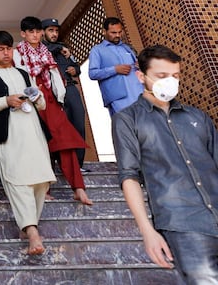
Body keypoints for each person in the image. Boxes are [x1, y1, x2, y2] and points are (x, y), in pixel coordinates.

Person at [113, 45, 218, 284]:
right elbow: (129, 177)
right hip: (182, 224)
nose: (170, 82)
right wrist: (146, 230)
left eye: (175, 76)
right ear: (142, 77)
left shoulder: (197, 117)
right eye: (162, 76)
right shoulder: (127, 120)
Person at [0, 30, 56, 255]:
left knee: (41, 181)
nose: (6, 53)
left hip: (33, 133)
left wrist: (37, 96)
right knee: (18, 181)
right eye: (0, 49)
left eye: (8, 48)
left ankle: (28, 225)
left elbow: (41, 105)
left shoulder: (23, 73)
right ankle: (32, 232)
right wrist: (5, 101)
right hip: (8, 136)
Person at [14, 16, 91, 205]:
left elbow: (55, 75)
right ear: (23, 34)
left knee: (65, 141)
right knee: (40, 145)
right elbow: (20, 76)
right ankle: (44, 189)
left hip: (52, 100)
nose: (35, 35)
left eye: (37, 31)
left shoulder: (46, 52)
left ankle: (78, 188)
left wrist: (60, 96)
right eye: (30, 32)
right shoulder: (18, 52)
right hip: (32, 100)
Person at [42, 18, 87, 169]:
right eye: (50, 30)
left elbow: (76, 66)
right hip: (54, 92)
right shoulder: (41, 48)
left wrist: (75, 69)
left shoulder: (64, 47)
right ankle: (63, 164)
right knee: (60, 129)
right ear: (43, 33)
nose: (54, 34)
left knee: (78, 124)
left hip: (71, 89)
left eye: (56, 31)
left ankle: (78, 164)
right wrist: (58, 49)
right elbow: (44, 57)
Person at [88, 17, 144, 116]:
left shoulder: (127, 48)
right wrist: (115, 69)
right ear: (104, 31)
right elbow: (93, 74)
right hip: (119, 99)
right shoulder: (97, 50)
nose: (118, 35)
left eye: (120, 32)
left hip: (140, 93)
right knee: (127, 128)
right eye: (113, 33)